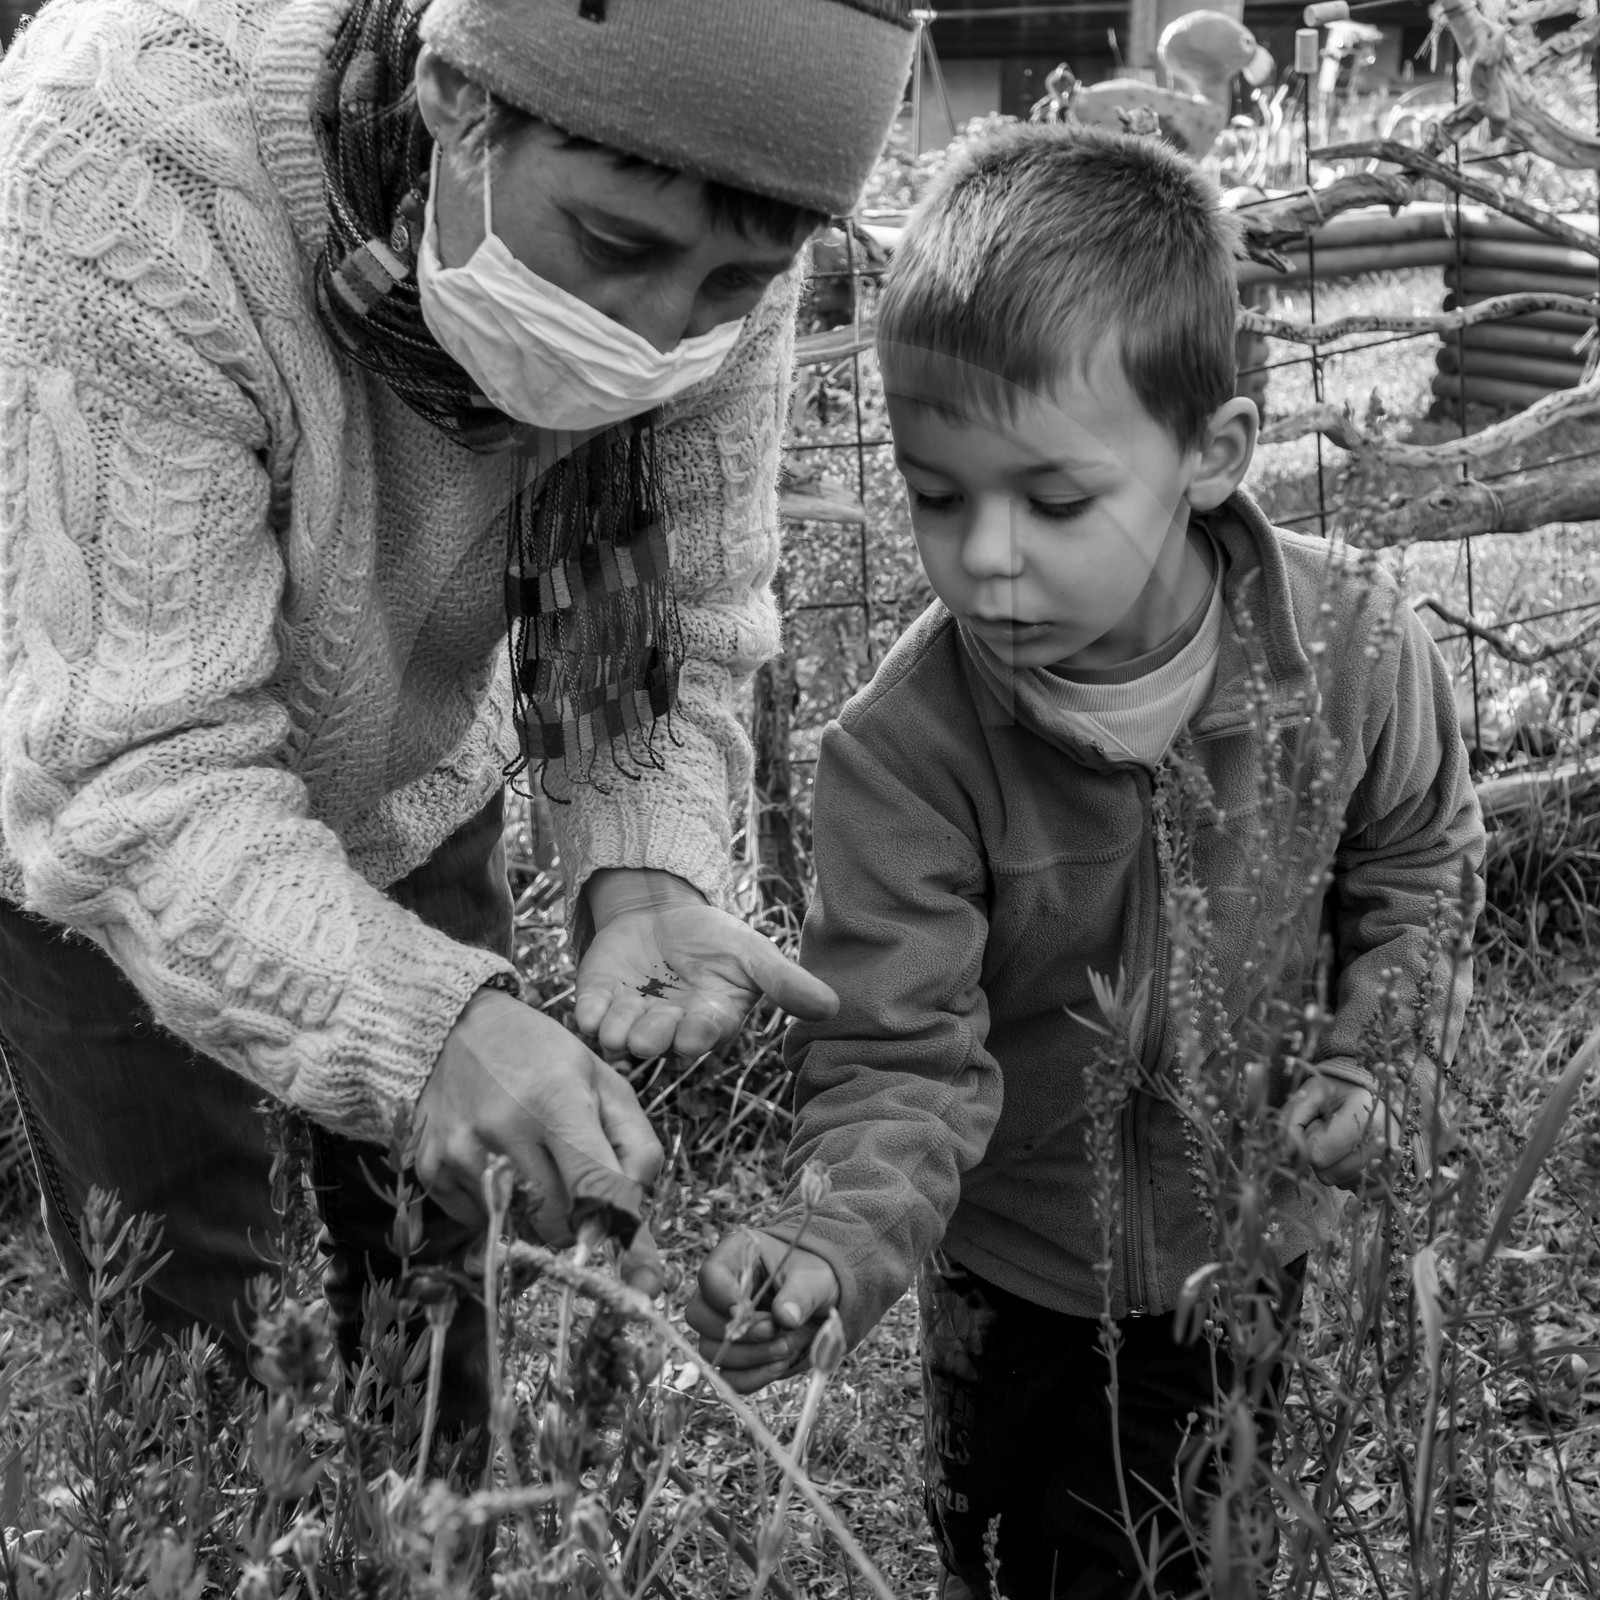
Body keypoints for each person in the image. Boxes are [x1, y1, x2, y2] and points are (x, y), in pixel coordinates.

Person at [0, 0, 915, 1440]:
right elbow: (137, 766)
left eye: (735, 282)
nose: (659, 332)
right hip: (107, 806)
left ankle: (450, 1529)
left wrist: (649, 866)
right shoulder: (123, 166)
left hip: (412, 766)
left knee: (447, 1268)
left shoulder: (723, 212)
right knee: (190, 1299)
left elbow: (674, 602)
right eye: (614, 250)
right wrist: (426, 1036)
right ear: (455, 102)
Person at [689, 126, 1485, 1597]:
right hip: (1006, 1264)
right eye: (938, 496)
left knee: (1185, 1550)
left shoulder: (1359, 653)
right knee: (998, 1555)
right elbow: (893, 1053)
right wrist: (831, 1241)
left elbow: (1422, 869)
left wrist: (1377, 1062)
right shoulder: (906, 753)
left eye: (1053, 502)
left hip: (1242, 1240)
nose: (987, 558)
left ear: (1212, 455)